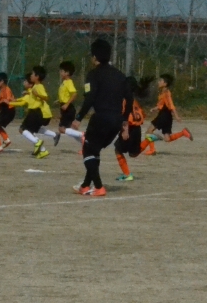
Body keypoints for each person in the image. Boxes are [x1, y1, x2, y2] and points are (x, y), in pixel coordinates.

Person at [70, 38, 133, 197]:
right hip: (116, 121)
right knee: (94, 149)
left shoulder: (93, 74)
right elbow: (130, 99)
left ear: (94, 57)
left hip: (101, 118)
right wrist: (124, 120)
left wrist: (78, 118)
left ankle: (98, 187)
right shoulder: (120, 75)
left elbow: (89, 98)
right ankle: (85, 185)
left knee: (88, 150)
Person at [143, 73, 191, 154]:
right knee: (167, 139)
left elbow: (171, 105)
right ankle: (183, 133)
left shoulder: (166, 93)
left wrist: (177, 116)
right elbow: (161, 105)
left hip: (164, 115)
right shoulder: (162, 93)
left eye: (160, 81)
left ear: (165, 84)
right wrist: (154, 109)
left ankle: (152, 150)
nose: (158, 82)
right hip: (168, 117)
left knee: (149, 131)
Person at [114, 76, 150, 182]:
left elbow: (125, 116)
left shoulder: (125, 100)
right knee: (133, 153)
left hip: (128, 128)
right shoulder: (134, 101)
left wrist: (125, 130)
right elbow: (142, 115)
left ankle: (127, 175)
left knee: (118, 149)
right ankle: (149, 140)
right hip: (137, 129)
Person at [12, 76, 52, 159]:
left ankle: (38, 142)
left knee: (22, 129)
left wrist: (10, 103)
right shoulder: (33, 88)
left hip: (35, 112)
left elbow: (45, 97)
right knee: (30, 131)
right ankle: (42, 150)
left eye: (25, 81)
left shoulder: (38, 86)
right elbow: (28, 97)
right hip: (35, 112)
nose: (24, 83)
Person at [56, 61, 84, 145]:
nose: (60, 73)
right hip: (65, 108)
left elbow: (74, 94)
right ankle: (84, 143)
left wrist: (66, 104)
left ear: (67, 73)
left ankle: (83, 135)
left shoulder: (69, 82)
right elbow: (65, 94)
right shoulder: (64, 82)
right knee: (71, 129)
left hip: (68, 109)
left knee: (62, 129)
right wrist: (59, 100)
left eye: (62, 71)